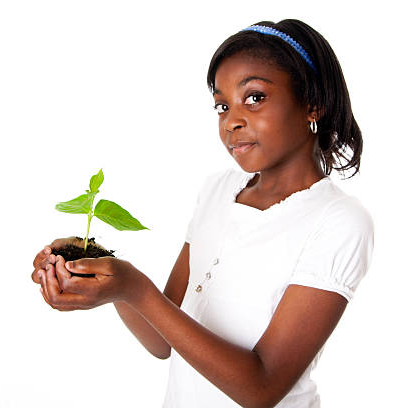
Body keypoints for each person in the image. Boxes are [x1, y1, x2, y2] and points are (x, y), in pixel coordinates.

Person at [31, 19, 374, 408]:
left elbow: (261, 389)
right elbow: (162, 340)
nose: (232, 120)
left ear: (313, 103)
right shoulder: (217, 190)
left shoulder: (337, 220)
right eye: (222, 105)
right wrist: (107, 274)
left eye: (255, 97)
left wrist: (135, 287)